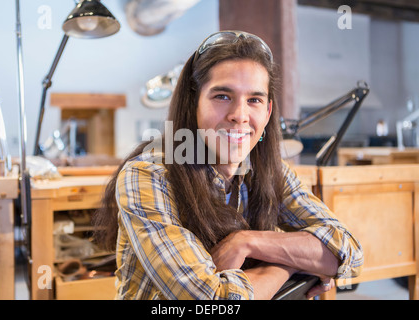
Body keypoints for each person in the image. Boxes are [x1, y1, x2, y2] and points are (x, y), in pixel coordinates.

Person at [93, 30, 363, 300]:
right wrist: (291, 262)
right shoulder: (148, 175)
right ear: (193, 102)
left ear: (267, 112)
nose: (239, 115)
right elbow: (214, 301)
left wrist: (248, 241)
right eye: (222, 96)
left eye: (254, 100)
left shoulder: (272, 171)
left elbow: (347, 252)